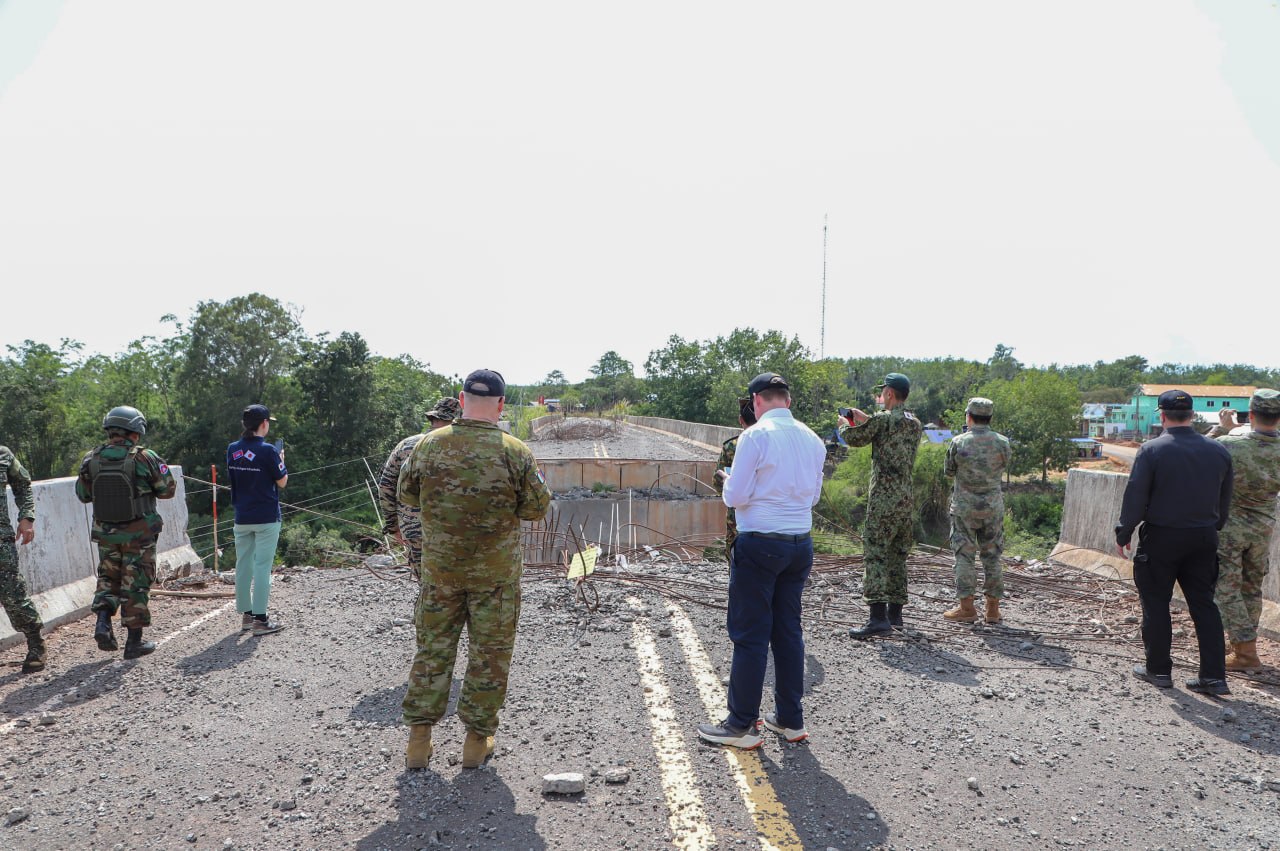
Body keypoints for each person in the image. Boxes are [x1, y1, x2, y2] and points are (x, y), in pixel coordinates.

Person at [398, 369, 552, 769]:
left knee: (432, 651)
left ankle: (419, 743)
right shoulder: (515, 451)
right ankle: (475, 742)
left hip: (440, 573)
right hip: (495, 578)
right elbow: (537, 507)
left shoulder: (428, 445)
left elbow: (407, 495)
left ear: (462, 399)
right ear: (500, 405)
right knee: (490, 656)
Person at [697, 372, 826, 748]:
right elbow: (813, 497)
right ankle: (790, 719)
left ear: (756, 402)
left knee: (750, 634)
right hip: (800, 544)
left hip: (760, 543)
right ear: (788, 400)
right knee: (788, 631)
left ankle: (740, 725)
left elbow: (735, 497)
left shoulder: (754, 436)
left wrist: (728, 479)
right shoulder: (813, 439)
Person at [1116, 389, 1233, 695]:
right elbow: (1224, 499)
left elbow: (1136, 495)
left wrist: (1124, 532)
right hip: (1204, 537)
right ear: (1192, 415)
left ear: (1162, 415)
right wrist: (1213, 527)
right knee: (1205, 605)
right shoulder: (1218, 450)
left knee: (1156, 602)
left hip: (1162, 537)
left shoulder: (1152, 450)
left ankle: (1158, 670)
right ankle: (1214, 678)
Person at [76, 406, 176, 659]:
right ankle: (134, 643)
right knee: (136, 583)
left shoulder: (91, 458)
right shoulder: (145, 457)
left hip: (106, 533)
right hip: (138, 534)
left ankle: (103, 622)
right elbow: (167, 490)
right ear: (135, 430)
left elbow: (83, 495)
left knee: (108, 577)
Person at [839, 373, 922, 638]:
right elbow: (886, 430)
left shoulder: (883, 420)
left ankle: (877, 618)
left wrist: (845, 425)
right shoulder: (914, 422)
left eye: (883, 391)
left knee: (875, 553)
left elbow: (855, 439)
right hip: (905, 499)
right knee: (898, 555)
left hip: (884, 500)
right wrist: (866, 418)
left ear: (889, 393)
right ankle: (895, 615)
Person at [1212, 388, 1280, 672]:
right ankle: (1242, 647)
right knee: (1252, 588)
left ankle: (1245, 651)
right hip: (1263, 529)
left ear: (1250, 414)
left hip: (1230, 530)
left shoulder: (1230, 444)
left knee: (1225, 587)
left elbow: (1198, 450)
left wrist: (1223, 428)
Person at [942, 398, 1013, 625]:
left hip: (964, 508)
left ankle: (967, 608)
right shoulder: (1002, 442)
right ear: (990, 418)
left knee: (964, 555)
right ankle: (992, 610)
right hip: (992, 508)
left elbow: (948, 471)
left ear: (969, 417)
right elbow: (1004, 465)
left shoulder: (959, 442)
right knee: (992, 556)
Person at [377, 397, 462, 574]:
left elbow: (386, 486)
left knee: (425, 582)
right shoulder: (463, 447)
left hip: (414, 529)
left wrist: (393, 526)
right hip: (454, 531)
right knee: (455, 583)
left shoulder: (406, 445)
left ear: (433, 418)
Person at [226, 404, 289, 637]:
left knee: (243, 565)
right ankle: (261, 620)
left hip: (242, 516)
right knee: (262, 567)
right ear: (264, 424)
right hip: (266, 517)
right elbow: (282, 481)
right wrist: (281, 460)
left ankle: (247, 615)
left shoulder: (232, 449)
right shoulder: (269, 451)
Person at [1, 444, 45, 673]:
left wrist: (26, 517)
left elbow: (23, 485)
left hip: (1, 543)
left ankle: (36, 644)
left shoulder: (3, 455)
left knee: (14, 596)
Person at [713, 396, 757, 564]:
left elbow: (718, 481)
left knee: (736, 556)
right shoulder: (775, 442)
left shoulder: (732, 446)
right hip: (772, 513)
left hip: (737, 514)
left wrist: (731, 496)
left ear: (741, 420)